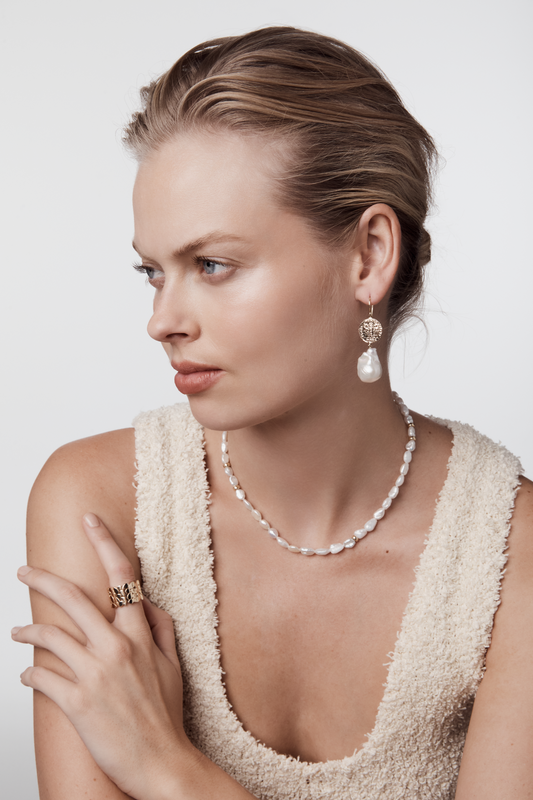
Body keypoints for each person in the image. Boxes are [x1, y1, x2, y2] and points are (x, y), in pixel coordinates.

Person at [12, 26, 533, 800]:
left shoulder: (507, 556)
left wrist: (167, 767)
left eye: (212, 264)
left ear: (368, 256)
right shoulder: (102, 506)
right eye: (153, 272)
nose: (162, 321)